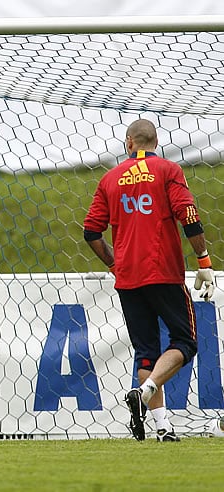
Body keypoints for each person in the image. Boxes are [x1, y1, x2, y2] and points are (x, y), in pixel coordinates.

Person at [83, 118, 215, 442]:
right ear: (156, 142)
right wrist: (204, 261)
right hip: (164, 272)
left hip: (129, 279)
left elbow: (91, 231)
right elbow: (189, 215)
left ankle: (162, 427)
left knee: (146, 352)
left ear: (129, 143)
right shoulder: (169, 171)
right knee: (185, 342)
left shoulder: (110, 179)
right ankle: (147, 390)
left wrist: (116, 264)